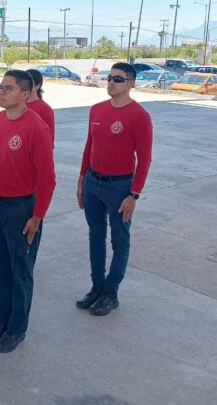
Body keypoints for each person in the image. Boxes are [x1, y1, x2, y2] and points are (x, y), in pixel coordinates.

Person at [0, 70, 55, 353]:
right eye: (0, 87)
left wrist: (37, 216)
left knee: (20, 269)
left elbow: (48, 178)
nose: (1, 92)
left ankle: (16, 327)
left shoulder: (35, 127)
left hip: (21, 208)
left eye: (9, 89)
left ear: (25, 94)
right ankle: (0, 321)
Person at [76, 62, 152, 316]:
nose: (111, 82)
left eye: (118, 79)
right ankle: (97, 287)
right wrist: (81, 179)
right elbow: (90, 146)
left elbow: (145, 159)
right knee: (95, 237)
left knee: (119, 240)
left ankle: (111, 292)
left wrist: (134, 194)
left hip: (120, 187)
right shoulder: (96, 110)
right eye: (109, 78)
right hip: (93, 183)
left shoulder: (139, 116)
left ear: (131, 84)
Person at [26, 68, 56, 145]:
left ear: (37, 86)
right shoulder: (16, 105)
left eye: (28, 82)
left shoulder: (44, 109)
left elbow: (49, 140)